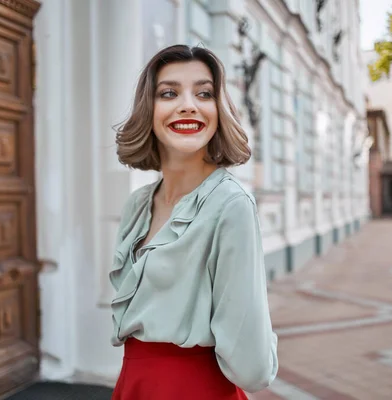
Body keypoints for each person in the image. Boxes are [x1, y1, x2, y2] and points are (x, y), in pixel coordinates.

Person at [109, 44, 278, 399]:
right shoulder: (138, 205)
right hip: (135, 385)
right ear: (149, 110)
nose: (188, 104)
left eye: (204, 93)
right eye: (169, 93)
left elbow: (253, 366)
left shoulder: (231, 205)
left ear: (218, 110)